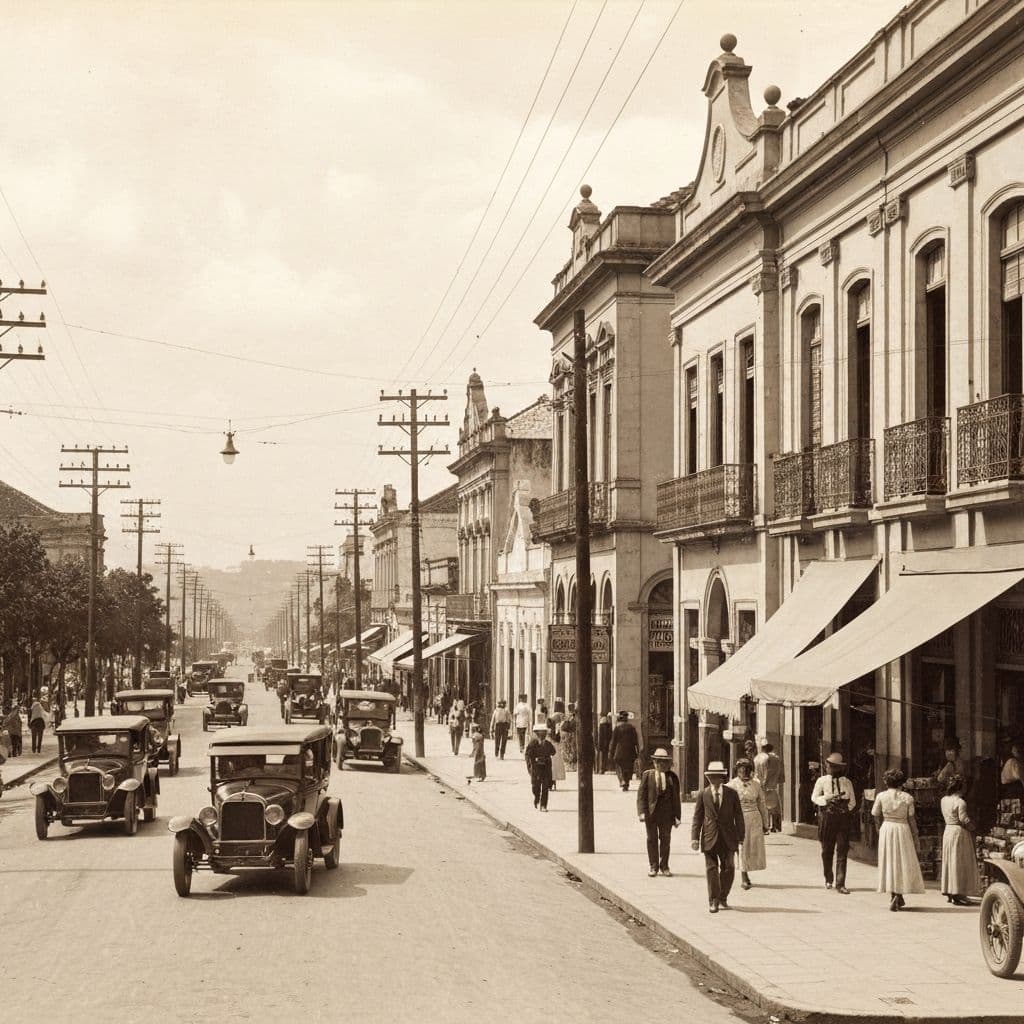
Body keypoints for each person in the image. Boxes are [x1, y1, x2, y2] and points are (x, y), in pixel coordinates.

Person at [691, 760, 745, 913]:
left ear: (723, 778)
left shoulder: (731, 794)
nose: (714, 781)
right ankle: (713, 900)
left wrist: (741, 837)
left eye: (717, 777)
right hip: (709, 837)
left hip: (728, 837)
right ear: (708, 779)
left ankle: (723, 897)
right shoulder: (703, 794)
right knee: (712, 868)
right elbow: (697, 817)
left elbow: (739, 816)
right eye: (711, 778)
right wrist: (694, 838)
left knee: (729, 868)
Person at [872, 767, 925, 911]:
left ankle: (893, 893)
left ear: (886, 782)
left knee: (889, 860)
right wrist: (916, 835)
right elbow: (912, 819)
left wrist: (879, 829)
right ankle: (898, 893)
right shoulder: (907, 798)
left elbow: (876, 815)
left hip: (887, 827)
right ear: (901, 782)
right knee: (902, 860)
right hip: (902, 828)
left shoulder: (881, 796)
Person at [811, 752, 856, 894]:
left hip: (842, 819)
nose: (831, 768)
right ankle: (828, 878)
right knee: (826, 850)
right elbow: (814, 797)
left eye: (834, 767)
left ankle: (840, 883)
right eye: (830, 766)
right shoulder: (822, 781)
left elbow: (853, 802)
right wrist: (827, 799)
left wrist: (843, 809)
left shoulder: (847, 782)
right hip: (827, 818)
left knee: (842, 850)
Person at [637, 748, 681, 877]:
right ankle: (653, 866)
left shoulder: (672, 777)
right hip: (651, 813)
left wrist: (677, 816)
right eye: (657, 762)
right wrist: (641, 812)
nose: (660, 765)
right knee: (651, 839)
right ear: (654, 762)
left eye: (663, 762)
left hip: (666, 814)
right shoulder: (647, 775)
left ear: (667, 763)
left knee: (665, 839)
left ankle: (664, 866)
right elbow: (641, 795)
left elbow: (676, 798)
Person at [940, 774, 979, 905]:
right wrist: (973, 828)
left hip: (948, 830)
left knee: (950, 860)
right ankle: (958, 892)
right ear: (961, 787)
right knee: (959, 861)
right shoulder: (960, 802)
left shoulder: (944, 800)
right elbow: (964, 819)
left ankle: (949, 890)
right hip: (959, 832)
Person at [754, 742, 784, 832]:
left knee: (762, 806)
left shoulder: (757, 758)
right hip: (769, 785)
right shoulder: (772, 758)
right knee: (774, 806)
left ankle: (765, 826)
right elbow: (768, 772)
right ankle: (775, 826)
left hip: (759, 785)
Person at [525, 723, 556, 811]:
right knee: (535, 787)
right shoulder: (533, 744)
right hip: (536, 768)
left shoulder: (548, 744)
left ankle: (543, 805)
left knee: (545, 787)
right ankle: (537, 797)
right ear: (537, 734)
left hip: (546, 768)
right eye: (540, 734)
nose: (542, 736)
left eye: (544, 734)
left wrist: (546, 757)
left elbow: (553, 752)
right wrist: (532, 762)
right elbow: (527, 754)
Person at [610, 710, 641, 792]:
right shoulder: (632, 728)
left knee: (619, 766)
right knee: (629, 767)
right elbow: (635, 741)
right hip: (630, 752)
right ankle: (626, 783)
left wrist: (611, 752)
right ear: (627, 719)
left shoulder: (617, 728)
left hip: (619, 751)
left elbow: (613, 741)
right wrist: (637, 751)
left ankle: (622, 780)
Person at [549, 715, 566, 790]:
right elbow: (556, 738)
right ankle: (552, 782)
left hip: (554, 748)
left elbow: (556, 738)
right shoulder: (555, 728)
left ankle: (552, 782)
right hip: (555, 748)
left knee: (553, 766)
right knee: (554, 766)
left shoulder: (555, 728)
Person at [561, 704, 577, 770]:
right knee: (572, 750)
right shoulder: (573, 717)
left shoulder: (568, 717)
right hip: (572, 735)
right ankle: (572, 765)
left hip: (569, 735)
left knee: (569, 750)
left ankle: (570, 765)